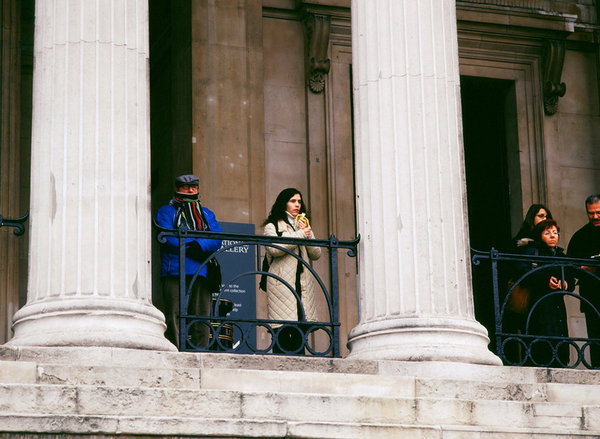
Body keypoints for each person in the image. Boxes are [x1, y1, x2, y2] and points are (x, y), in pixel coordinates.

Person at [156, 174, 222, 349]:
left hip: (201, 270)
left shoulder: (207, 213)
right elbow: (167, 237)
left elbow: (217, 238)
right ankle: (174, 348)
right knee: (174, 314)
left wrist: (198, 246)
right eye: (186, 187)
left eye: (194, 187)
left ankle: (200, 350)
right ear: (177, 189)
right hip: (174, 270)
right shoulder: (166, 211)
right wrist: (192, 245)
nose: (191, 190)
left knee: (201, 315)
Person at [262, 188, 321, 353]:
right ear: (284, 203)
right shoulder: (272, 225)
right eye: (292, 201)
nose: (297, 205)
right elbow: (274, 249)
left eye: (299, 202)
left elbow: (316, 254)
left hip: (302, 285)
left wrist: (308, 233)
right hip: (281, 285)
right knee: (283, 332)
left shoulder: (303, 226)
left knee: (300, 334)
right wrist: (301, 234)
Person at [514, 219, 573, 367]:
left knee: (559, 340)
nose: (553, 236)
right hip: (538, 304)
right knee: (541, 342)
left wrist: (566, 284)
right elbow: (522, 272)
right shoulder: (532, 251)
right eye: (547, 233)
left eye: (555, 232)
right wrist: (545, 281)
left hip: (557, 306)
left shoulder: (560, 255)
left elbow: (571, 276)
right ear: (540, 235)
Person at [567, 194, 600, 367]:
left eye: (598, 212)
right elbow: (570, 265)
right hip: (592, 296)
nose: (595, 217)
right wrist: (584, 269)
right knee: (596, 338)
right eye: (591, 213)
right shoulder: (580, 236)